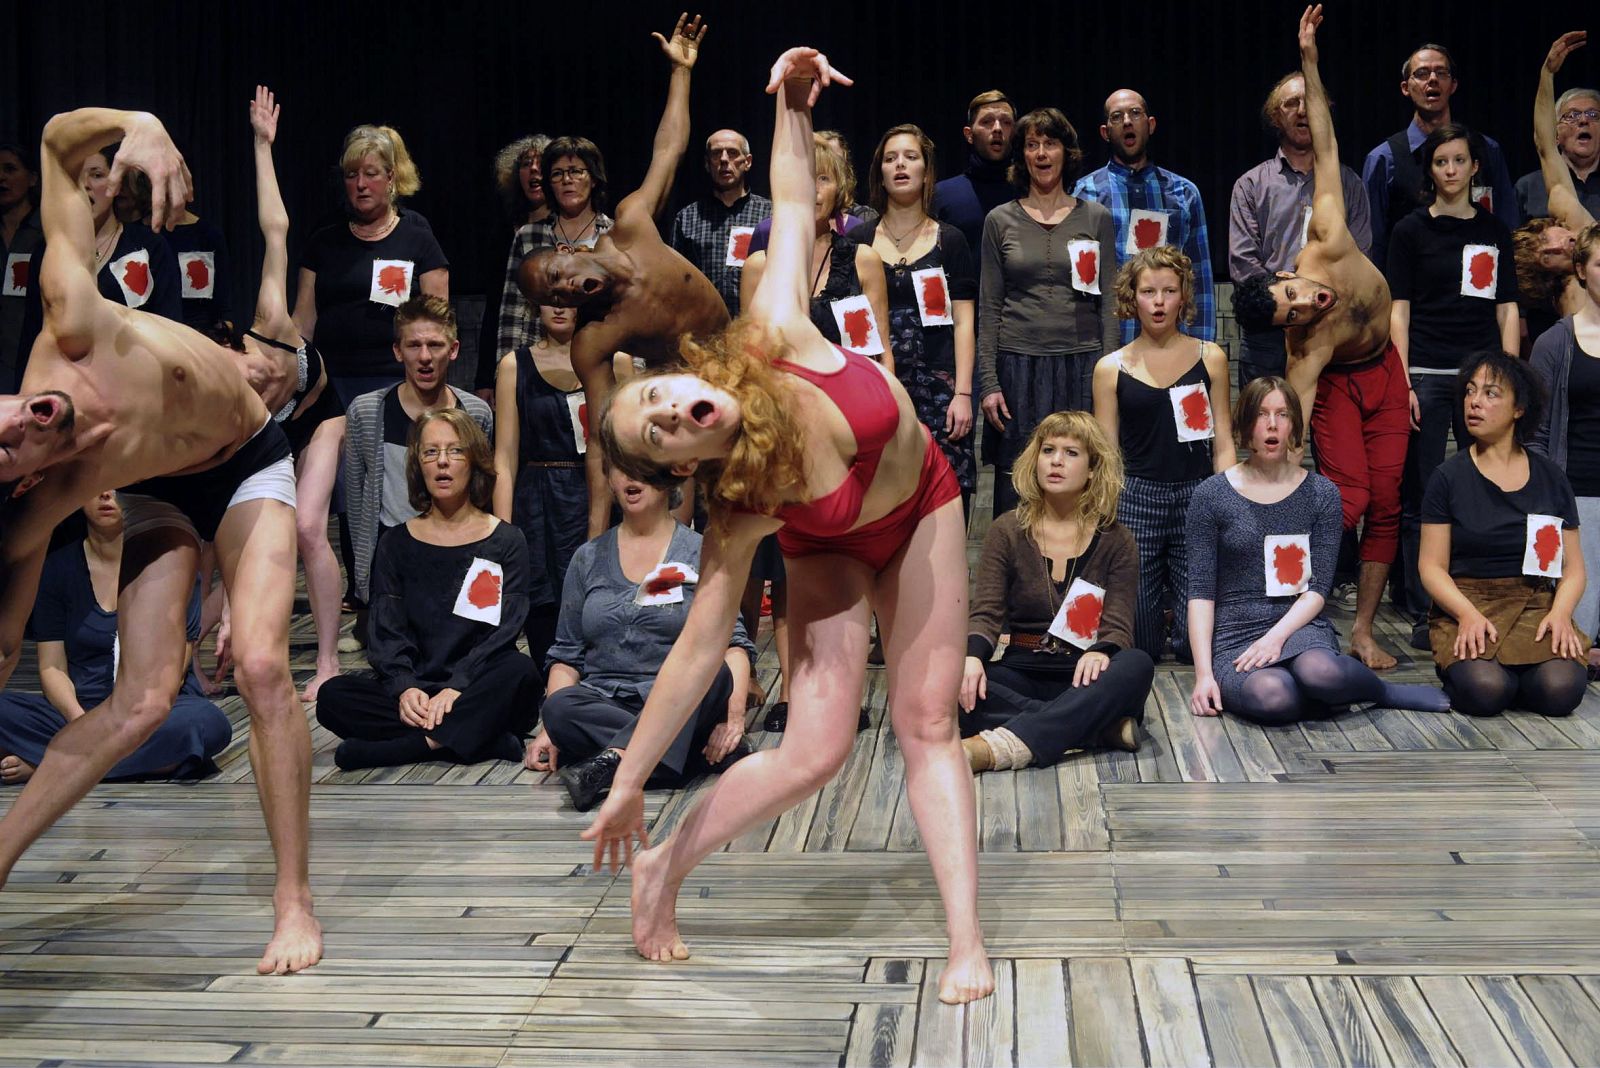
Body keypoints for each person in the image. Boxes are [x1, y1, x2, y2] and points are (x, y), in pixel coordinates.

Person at [584, 46, 994, 1004]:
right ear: (679, 468)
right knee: (817, 748)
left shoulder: (769, 332)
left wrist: (791, 101)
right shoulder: (742, 510)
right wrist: (628, 781)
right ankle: (666, 868)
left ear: (679, 375)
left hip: (922, 502)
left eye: (658, 397)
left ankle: (965, 939)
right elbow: (694, 652)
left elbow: (794, 203)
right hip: (829, 547)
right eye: (654, 436)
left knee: (926, 723)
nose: (669, 414)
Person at [0, 106, 321, 973]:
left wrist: (139, 122)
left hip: (248, 456)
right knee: (142, 704)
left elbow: (60, 143)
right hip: (156, 490)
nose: (20, 421)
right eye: (13, 447)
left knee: (259, 664)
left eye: (2, 417)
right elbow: (8, 625)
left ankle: (294, 902)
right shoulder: (57, 493)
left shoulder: (69, 315)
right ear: (29, 478)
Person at [1230, 5, 1412, 673]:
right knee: (1349, 498)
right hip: (1342, 383)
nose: (1308, 306)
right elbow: (1286, 415)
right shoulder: (1307, 349)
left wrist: (1308, 56)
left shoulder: (1327, 237)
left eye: (1295, 295)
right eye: (1295, 316)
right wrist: (1251, 470)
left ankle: (1364, 629)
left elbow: (1330, 146)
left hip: (1387, 369)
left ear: (1290, 275)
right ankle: (1301, 610)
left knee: (1389, 498)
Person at [517, 14, 731, 537]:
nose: (564, 288)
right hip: (686, 389)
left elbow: (669, 149)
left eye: (557, 273)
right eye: (554, 293)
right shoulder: (593, 341)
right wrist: (600, 525)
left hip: (737, 351)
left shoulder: (632, 226)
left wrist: (681, 73)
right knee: (695, 498)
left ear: (568, 249)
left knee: (747, 503)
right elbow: (604, 432)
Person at [1187, 377, 1450, 725]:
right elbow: (1201, 593)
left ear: (1294, 424)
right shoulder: (1211, 495)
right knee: (1273, 697)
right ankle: (1319, 699)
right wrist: (1203, 674)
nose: (1271, 425)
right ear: (1245, 424)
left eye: (1282, 415)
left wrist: (1276, 638)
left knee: (1322, 672)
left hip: (1298, 624)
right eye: (1262, 414)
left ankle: (1380, 692)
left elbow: (1317, 590)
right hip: (1236, 631)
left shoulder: (1321, 493)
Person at [741, 133, 893, 729]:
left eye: (823, 180)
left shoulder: (863, 259)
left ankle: (841, 695)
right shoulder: (759, 266)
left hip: (847, 435)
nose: (813, 190)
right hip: (781, 434)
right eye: (804, 181)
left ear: (840, 192)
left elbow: (879, 357)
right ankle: (783, 692)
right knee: (778, 567)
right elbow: (748, 358)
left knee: (841, 567)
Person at [316, 409, 539, 769]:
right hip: (418, 691)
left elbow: (504, 630)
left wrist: (459, 687)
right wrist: (405, 687)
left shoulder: (506, 540)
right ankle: (475, 739)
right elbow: (387, 630)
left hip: (478, 683)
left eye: (455, 451)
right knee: (333, 695)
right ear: (418, 464)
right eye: (431, 452)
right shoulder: (395, 543)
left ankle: (407, 747)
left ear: (475, 461)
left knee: (521, 673)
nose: (443, 463)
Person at [527, 460, 754, 811]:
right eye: (620, 467)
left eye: (642, 466)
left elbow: (734, 645)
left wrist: (733, 719)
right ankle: (686, 754)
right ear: (610, 479)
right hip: (606, 701)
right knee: (558, 708)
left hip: (679, 694)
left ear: (669, 477)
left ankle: (613, 759)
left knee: (714, 675)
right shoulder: (587, 558)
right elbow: (566, 655)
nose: (630, 476)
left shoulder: (701, 550)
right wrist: (550, 731)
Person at [233, 86, 347, 701]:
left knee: (309, 528)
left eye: (249, 367)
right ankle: (217, 652)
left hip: (321, 416)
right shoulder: (231, 397)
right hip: (270, 434)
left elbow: (275, 228)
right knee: (222, 534)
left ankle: (327, 660)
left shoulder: (270, 323)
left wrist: (261, 146)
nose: (251, 376)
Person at [1387, 124, 1521, 647]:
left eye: (1459, 161)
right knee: (1421, 496)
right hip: (1425, 374)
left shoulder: (1493, 231)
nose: (1449, 170)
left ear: (1473, 168)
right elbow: (1400, 310)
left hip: (1482, 376)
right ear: (1431, 170)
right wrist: (1404, 382)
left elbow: (1506, 306)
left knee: (1483, 487)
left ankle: (1480, 596)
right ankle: (1425, 613)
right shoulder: (1410, 231)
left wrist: (1507, 379)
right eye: (1441, 162)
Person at [961, 412, 1153, 770]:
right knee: (955, 687)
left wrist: (1101, 650)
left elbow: (1119, 622)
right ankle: (1097, 729)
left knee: (1137, 665)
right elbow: (986, 613)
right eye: (1048, 450)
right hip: (1020, 670)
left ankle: (1006, 744)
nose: (1056, 461)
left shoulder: (1117, 540)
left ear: (1093, 468)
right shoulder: (1007, 530)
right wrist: (972, 657)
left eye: (1071, 453)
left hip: (1087, 676)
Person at [0, 492, 230, 784]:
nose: (106, 494)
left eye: (119, 485)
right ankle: (112, 761)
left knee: (206, 723)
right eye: (96, 485)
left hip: (153, 708)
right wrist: (81, 723)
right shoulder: (57, 569)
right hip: (79, 710)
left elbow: (175, 665)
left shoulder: (171, 564)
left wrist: (128, 721)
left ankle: (54, 766)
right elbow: (51, 667)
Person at [1420, 352, 1590, 717]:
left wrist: (1560, 613)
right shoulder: (1448, 477)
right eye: (1470, 391)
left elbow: (1573, 568)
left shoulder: (1550, 477)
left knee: (1561, 691)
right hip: (1469, 601)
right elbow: (1432, 567)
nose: (1475, 402)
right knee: (1486, 690)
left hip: (1533, 601)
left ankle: (1520, 673)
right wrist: (1465, 614)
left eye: (1491, 393)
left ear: (1518, 409)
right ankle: (1486, 672)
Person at [1093, 246, 1233, 660]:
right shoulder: (1111, 368)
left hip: (1197, 493)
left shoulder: (1211, 358)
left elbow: (1223, 440)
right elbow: (1107, 452)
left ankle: (1181, 624)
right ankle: (1157, 620)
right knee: (1141, 645)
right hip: (1138, 499)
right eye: (1148, 291)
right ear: (1131, 297)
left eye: (1169, 291)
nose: (1158, 302)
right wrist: (1108, 513)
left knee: (1197, 645)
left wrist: (1226, 501)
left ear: (1183, 297)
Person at [979, 107, 1117, 518]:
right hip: (1017, 367)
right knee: (1017, 489)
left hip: (1081, 365)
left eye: (1050, 143)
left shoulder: (1095, 218)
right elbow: (988, 305)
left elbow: (1109, 303)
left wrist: (1106, 377)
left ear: (1066, 152)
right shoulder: (998, 220)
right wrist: (988, 381)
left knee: (1080, 479)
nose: (1041, 153)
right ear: (1021, 155)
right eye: (1032, 144)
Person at [343, 296, 493, 619]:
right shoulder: (368, 412)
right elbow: (356, 503)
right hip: (393, 567)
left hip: (457, 559)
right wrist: (365, 577)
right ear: (398, 351)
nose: (425, 357)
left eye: (435, 345)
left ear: (453, 350)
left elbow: (482, 493)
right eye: (414, 346)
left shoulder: (476, 414)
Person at [1229, 72, 1373, 388]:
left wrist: (1317, 305)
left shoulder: (1349, 184)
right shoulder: (1251, 185)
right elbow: (1244, 267)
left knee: (1329, 434)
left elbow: (1360, 255)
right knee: (1266, 431)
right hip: (1268, 337)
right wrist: (1289, 304)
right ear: (1275, 118)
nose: (1303, 110)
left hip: (1332, 329)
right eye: (1291, 103)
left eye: (1310, 101)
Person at [293, 122, 448, 404]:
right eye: (352, 175)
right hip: (331, 381)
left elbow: (437, 324)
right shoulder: (323, 242)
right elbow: (303, 323)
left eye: (371, 174)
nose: (361, 184)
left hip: (396, 380)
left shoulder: (417, 239)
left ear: (390, 178)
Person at [865, 125, 977, 514]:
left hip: (939, 389)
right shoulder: (858, 241)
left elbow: (964, 322)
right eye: (890, 158)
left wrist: (963, 394)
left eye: (910, 157)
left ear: (927, 172)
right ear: (880, 171)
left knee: (944, 502)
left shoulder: (952, 240)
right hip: (876, 387)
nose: (900, 165)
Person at [1073, 90, 1216, 345]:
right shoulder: (1085, 194)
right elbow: (1080, 287)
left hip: (1170, 345)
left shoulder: (1183, 193)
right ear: (1105, 132)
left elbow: (1200, 278)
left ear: (1150, 125)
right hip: (1108, 346)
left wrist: (1202, 346)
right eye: (1117, 117)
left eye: (1135, 113)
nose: (1127, 121)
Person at [1361, 41, 1519, 271]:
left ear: (1453, 85)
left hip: (1478, 288)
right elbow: (1373, 242)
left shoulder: (1486, 149)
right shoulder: (1384, 159)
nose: (1432, 79)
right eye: (1422, 73)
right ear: (1406, 87)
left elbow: (1507, 226)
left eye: (1441, 73)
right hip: (1411, 295)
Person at [492, 303, 588, 665]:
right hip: (537, 499)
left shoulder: (614, 361)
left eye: (569, 296)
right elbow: (504, 455)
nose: (561, 306)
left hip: (591, 493)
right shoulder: (515, 365)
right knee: (542, 602)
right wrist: (503, 535)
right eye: (551, 296)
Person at [1530, 221, 1600, 672]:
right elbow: (1535, 436)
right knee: (1576, 635)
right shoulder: (1556, 341)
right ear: (1581, 270)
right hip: (1580, 493)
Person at [493, 134, 614, 367]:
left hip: (602, 359)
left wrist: (633, 370)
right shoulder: (529, 235)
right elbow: (513, 310)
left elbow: (628, 308)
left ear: (594, 178)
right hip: (542, 363)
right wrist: (506, 374)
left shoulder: (613, 235)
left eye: (576, 171)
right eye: (557, 174)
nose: (567, 180)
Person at [1514, 33, 1597, 337]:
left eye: (1591, 115)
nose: (1562, 244)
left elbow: (1545, 145)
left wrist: (1547, 74)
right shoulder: (1574, 293)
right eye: (1549, 255)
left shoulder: (1576, 224)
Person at [475, 133, 552, 402]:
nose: (533, 169)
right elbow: (495, 307)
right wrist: (485, 378)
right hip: (510, 355)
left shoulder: (566, 230)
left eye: (541, 162)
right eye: (525, 163)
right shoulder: (505, 231)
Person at [670, 128, 773, 317]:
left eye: (732, 153)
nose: (724, 159)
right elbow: (677, 284)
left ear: (747, 162)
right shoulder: (687, 218)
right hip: (704, 329)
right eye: (717, 153)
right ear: (707, 164)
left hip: (757, 327)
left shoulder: (770, 215)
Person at [931, 91, 1016, 274]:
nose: (998, 128)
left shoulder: (1030, 193)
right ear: (969, 134)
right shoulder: (942, 195)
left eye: (1006, 122)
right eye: (987, 122)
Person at [0, 142, 41, 387]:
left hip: (31, 361)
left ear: (33, 179)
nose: (1, 177)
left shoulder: (49, 232)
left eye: (10, 169)